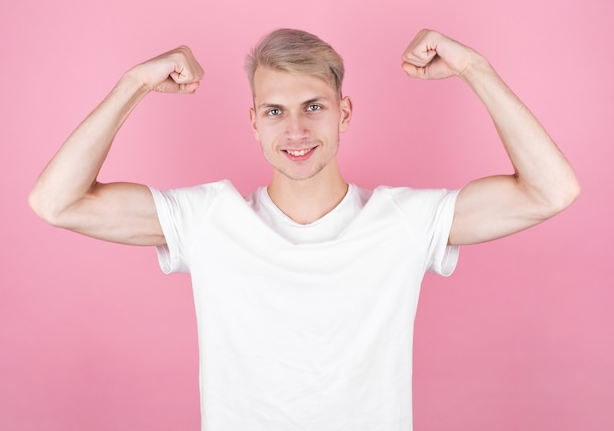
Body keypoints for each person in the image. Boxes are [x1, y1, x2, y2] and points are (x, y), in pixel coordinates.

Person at [29, 28, 580, 430]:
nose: (295, 130)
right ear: (253, 123)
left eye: (313, 106)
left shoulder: (405, 221)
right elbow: (58, 202)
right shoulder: (208, 219)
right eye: (274, 111)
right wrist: (134, 82)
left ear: (343, 113)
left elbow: (549, 191)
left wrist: (474, 68)